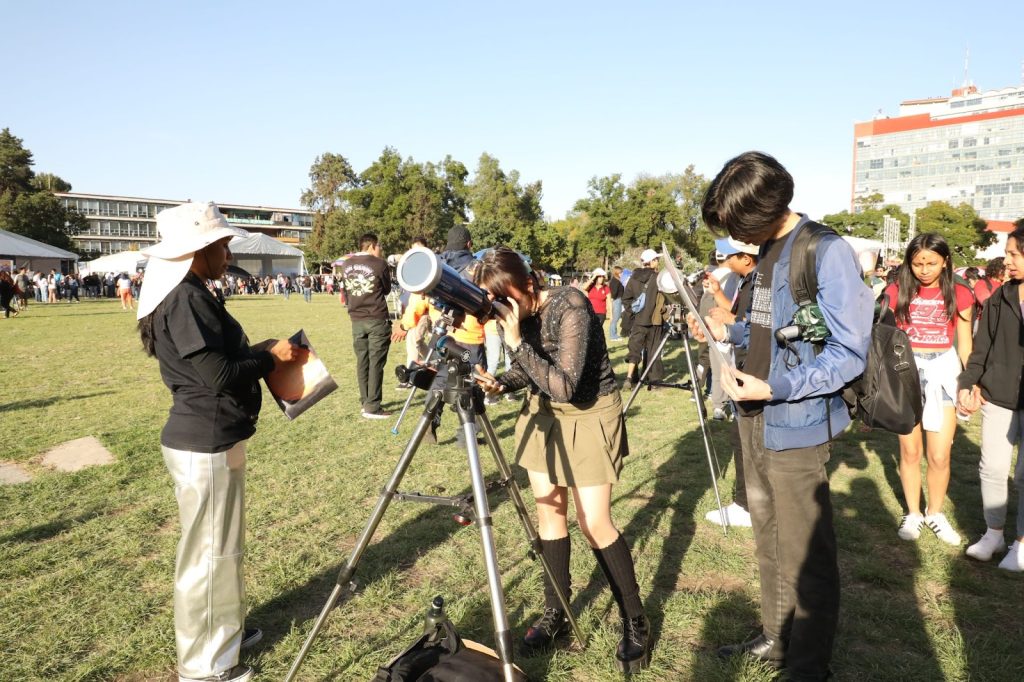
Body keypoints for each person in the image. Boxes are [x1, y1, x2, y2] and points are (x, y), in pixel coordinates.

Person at [700, 151, 873, 681]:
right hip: (752, 414)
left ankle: (806, 665)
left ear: (762, 209)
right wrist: (723, 331)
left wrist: (777, 385)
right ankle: (777, 638)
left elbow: (848, 352)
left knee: (806, 554)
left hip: (795, 423)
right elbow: (769, 329)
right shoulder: (768, 251)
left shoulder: (825, 251)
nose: (733, 238)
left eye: (735, 225)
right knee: (768, 538)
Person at [135, 201, 302, 682]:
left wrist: (264, 350)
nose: (229, 254)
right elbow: (218, 376)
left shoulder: (189, 292)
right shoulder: (185, 298)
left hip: (213, 438)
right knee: (207, 556)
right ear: (197, 249)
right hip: (203, 441)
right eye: (223, 245)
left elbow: (218, 360)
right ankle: (205, 667)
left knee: (222, 549)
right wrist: (271, 362)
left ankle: (224, 629)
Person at [475, 247, 650, 672]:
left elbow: (566, 384)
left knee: (594, 523)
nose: (501, 307)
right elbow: (532, 372)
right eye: (492, 300)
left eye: (505, 297)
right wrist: (501, 383)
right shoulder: (520, 314)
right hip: (543, 413)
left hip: (589, 412)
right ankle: (558, 614)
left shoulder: (570, 304)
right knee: (549, 515)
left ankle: (635, 620)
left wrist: (515, 342)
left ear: (529, 284)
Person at [882, 234, 974, 545]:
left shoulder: (960, 293)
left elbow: (966, 344)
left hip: (944, 372)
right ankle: (913, 513)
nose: (924, 269)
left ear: (945, 261)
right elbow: (882, 333)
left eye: (931, 263)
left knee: (939, 454)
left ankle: (935, 513)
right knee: (909, 451)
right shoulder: (896, 291)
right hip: (905, 371)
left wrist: (969, 383)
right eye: (918, 263)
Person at [957, 226, 1024, 571]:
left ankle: (1022, 543)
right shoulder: (1001, 297)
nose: (1006, 261)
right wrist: (969, 382)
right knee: (993, 468)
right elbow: (981, 347)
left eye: (1014, 254)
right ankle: (993, 533)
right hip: (998, 397)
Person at [702, 236, 760, 527]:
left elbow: (752, 325)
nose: (724, 262)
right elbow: (737, 314)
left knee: (746, 437)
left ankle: (747, 504)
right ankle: (746, 501)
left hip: (754, 366)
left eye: (729, 257)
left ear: (746, 259)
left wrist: (728, 322)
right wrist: (718, 297)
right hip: (743, 359)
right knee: (741, 434)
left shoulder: (761, 282)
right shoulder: (746, 281)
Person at [340, 233, 395, 419]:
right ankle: (372, 407)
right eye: (379, 246)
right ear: (372, 246)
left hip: (356, 319)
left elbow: (347, 290)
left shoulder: (346, 264)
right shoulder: (379, 264)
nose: (381, 249)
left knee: (362, 361)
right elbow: (386, 289)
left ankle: (365, 401)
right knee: (376, 362)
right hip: (377, 318)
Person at [621, 249, 665, 389]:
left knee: (634, 349)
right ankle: (653, 381)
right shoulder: (658, 278)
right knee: (654, 351)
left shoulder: (633, 278)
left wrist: (632, 315)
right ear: (651, 262)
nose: (658, 261)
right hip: (654, 320)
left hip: (638, 320)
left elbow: (626, 299)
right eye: (656, 259)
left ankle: (631, 378)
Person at [608, 266, 625, 341]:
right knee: (615, 318)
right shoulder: (615, 281)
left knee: (618, 317)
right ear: (617, 272)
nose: (622, 274)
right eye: (621, 272)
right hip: (617, 300)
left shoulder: (618, 280)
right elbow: (613, 292)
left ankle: (615, 334)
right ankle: (613, 335)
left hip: (620, 299)